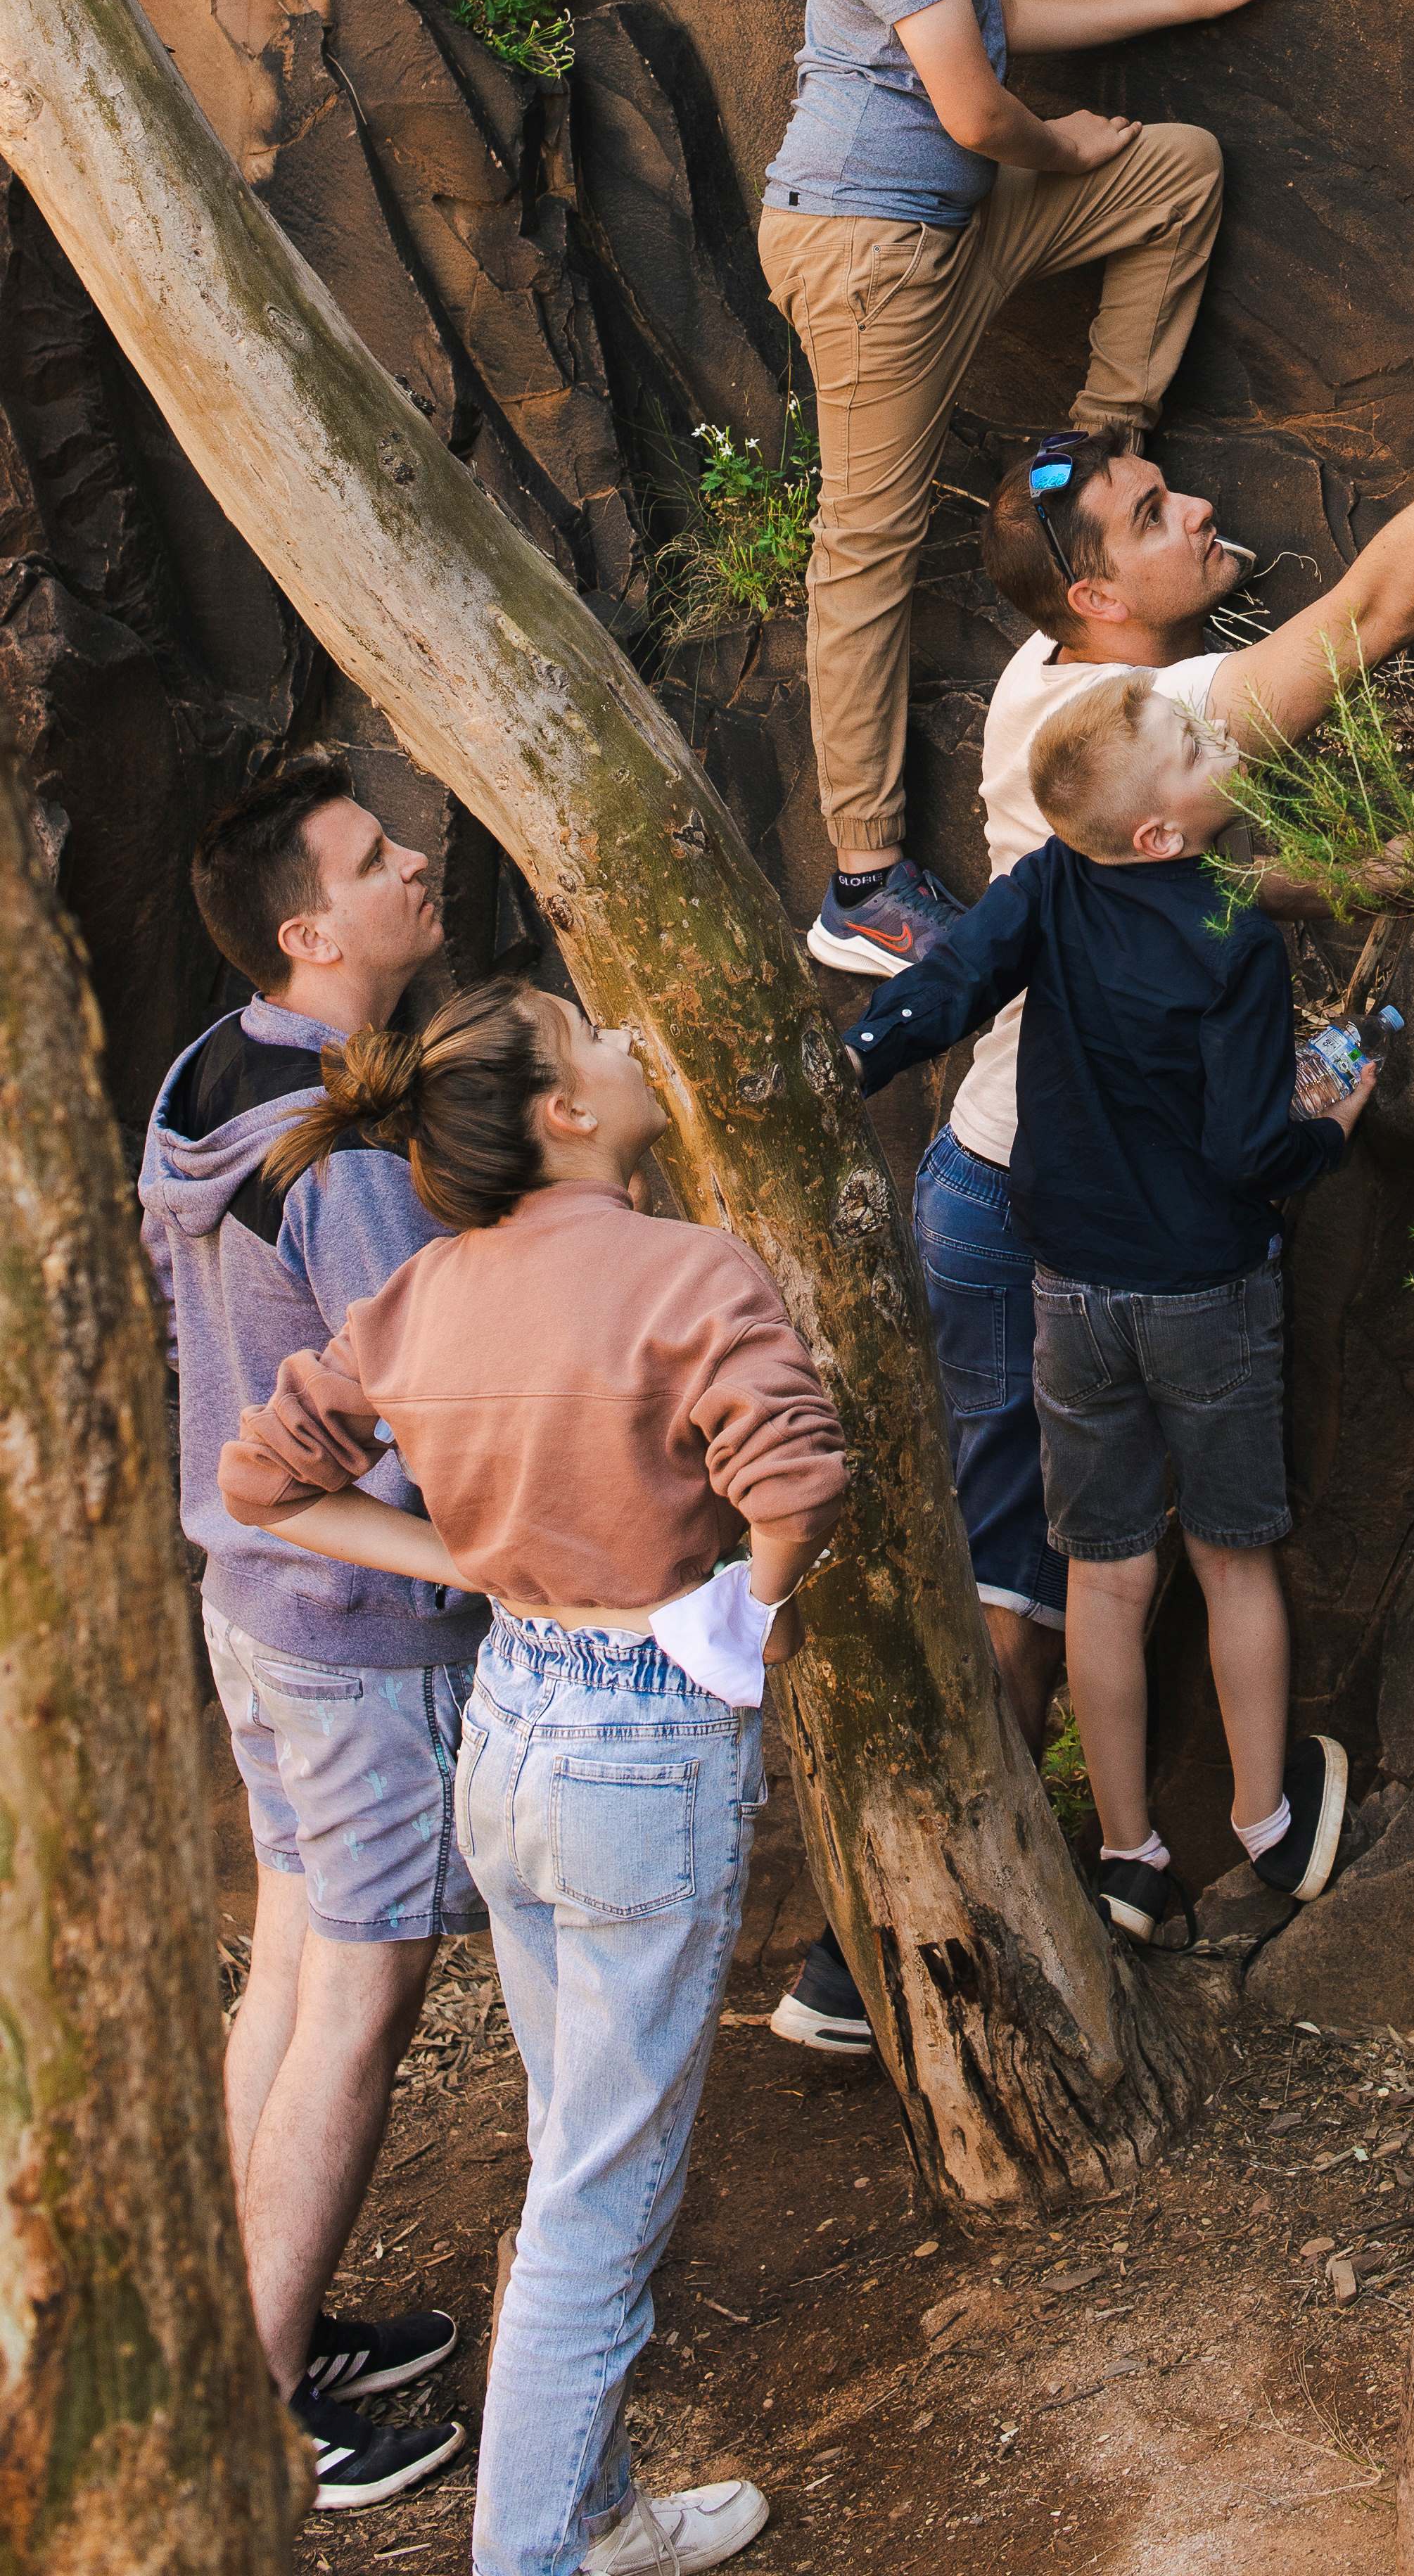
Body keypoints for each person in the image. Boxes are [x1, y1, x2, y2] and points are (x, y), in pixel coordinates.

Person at [767, 238, 1414, 2050]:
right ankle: (880, 1950)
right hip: (1049, 1204)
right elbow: (1382, 601)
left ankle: (1117, 1858)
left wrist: (1336, 880)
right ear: (1098, 598)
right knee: (1024, 1584)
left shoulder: (1057, 689)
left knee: (1074, 1560)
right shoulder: (1136, 724)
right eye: (1161, 514)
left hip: (1030, 1183)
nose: (1200, 509)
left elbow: (1154, 880)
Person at [221, 979, 848, 2576]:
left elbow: (260, 1480)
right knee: (599, 2199)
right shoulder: (689, 1269)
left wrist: (467, 1560)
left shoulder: (425, 1288)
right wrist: (744, 1616)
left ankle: (593, 2512)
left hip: (505, 1725)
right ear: (567, 1113)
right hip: (643, 1741)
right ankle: (534, 2553)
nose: (631, 1038)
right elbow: (794, 1481)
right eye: (597, 1035)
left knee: (574, 2140)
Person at [758, 0, 1289, 985]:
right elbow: (980, 109)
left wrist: (1183, 0)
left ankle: (1096, 518)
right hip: (869, 252)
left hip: (955, 220)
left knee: (1175, 170)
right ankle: (863, 885)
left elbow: (996, 19)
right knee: (865, 544)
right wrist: (1062, 145)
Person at [842, 676, 1380, 1944]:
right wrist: (1328, 1130)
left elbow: (951, 982)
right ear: (1161, 832)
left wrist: (856, 1055)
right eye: (1193, 743)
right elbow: (1247, 1149)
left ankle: (1130, 1855)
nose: (1216, 738)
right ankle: (1265, 1823)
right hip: (1207, 1293)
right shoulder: (1234, 936)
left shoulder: (1048, 884)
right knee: (1233, 1555)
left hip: (1070, 1291)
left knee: (1104, 1571)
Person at [140, 758, 485, 2516]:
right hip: (357, 1625)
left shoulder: (210, 1071)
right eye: (372, 856)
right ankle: (261, 2408)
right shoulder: (342, 1158)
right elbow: (433, 1402)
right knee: (366, 1985)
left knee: (291, 1958)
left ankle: (231, 2338)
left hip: (250, 1601)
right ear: (310, 930)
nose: (415, 859)